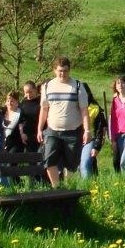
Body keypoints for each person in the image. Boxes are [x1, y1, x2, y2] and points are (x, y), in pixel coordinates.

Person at [37, 57, 89, 188]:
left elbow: (84, 110)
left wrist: (87, 130)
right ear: (54, 70)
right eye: (60, 71)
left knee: (71, 163)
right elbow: (44, 109)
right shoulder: (47, 86)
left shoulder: (77, 86)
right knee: (49, 160)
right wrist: (39, 129)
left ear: (69, 70)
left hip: (73, 131)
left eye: (65, 71)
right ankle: (56, 188)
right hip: (52, 130)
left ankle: (68, 189)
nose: (62, 74)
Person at [78, 82, 106, 179]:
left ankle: (88, 188)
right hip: (75, 140)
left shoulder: (95, 109)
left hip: (90, 140)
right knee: (81, 166)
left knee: (85, 164)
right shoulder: (72, 107)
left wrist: (96, 146)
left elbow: (100, 129)